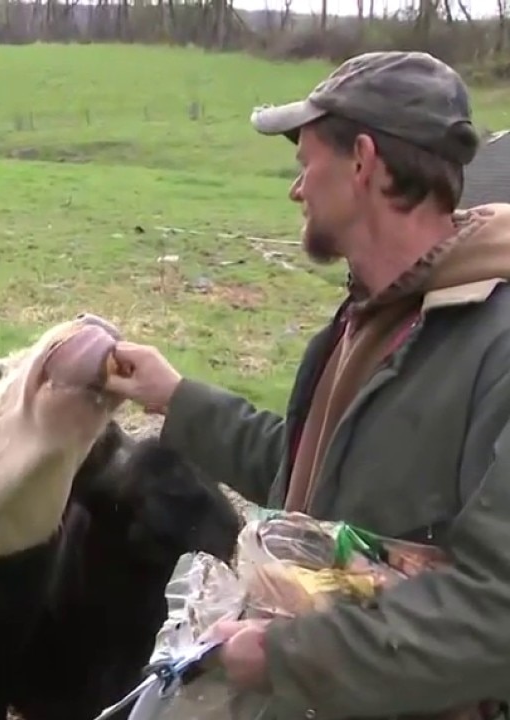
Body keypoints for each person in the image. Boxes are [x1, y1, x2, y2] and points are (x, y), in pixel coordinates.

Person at [104, 51, 510, 720]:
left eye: (306, 164)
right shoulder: (369, 318)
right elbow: (311, 475)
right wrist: (174, 397)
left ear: (364, 162)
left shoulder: (494, 346)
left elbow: (495, 614)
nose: (296, 190)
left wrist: (284, 656)